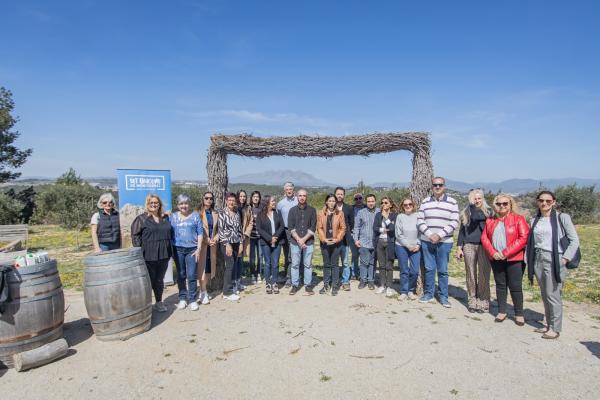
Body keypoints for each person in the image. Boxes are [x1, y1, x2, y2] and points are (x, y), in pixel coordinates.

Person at [525, 191, 580, 339]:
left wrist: (565, 259)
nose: (544, 203)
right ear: (537, 202)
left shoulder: (562, 218)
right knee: (545, 293)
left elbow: (574, 240)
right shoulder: (534, 220)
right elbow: (532, 241)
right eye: (541, 200)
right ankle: (548, 324)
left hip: (555, 258)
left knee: (553, 294)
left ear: (554, 202)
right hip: (538, 258)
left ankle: (555, 328)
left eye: (548, 201)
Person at [481, 194, 529, 325]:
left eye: (505, 203)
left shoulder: (519, 219)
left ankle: (519, 313)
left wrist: (506, 253)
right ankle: (502, 311)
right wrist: (493, 252)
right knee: (500, 285)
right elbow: (484, 238)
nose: (502, 206)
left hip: (514, 259)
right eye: (499, 204)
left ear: (510, 205)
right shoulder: (490, 220)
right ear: (495, 205)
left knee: (515, 286)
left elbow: (524, 238)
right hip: (496, 258)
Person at [417, 177, 459, 307]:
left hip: (445, 242)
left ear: (444, 186)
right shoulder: (425, 202)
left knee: (443, 270)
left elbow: (454, 221)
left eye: (440, 185)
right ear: (432, 186)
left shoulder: (452, 202)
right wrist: (430, 234)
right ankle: (429, 294)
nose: (437, 187)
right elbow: (420, 220)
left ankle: (443, 296)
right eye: (435, 185)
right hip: (427, 240)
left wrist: (439, 235)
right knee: (429, 269)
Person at [131, 194, 173, 313]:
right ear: (147, 205)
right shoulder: (141, 219)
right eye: (151, 203)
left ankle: (159, 302)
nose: (154, 205)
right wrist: (140, 249)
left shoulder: (165, 218)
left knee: (159, 280)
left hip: (164, 254)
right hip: (148, 255)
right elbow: (135, 236)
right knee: (148, 280)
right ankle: (146, 305)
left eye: (156, 203)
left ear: (160, 205)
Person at [456, 189, 493, 313]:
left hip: (484, 245)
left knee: (484, 274)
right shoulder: (466, 211)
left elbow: (478, 218)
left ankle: (483, 300)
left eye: (479, 198)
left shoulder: (488, 212)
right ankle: (472, 299)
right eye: (474, 198)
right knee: (470, 273)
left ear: (483, 198)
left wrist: (472, 206)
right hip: (469, 245)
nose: (477, 201)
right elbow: (462, 230)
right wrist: (459, 247)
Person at [170, 194, 203, 311]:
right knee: (181, 274)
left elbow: (200, 233)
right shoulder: (172, 217)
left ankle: (192, 299)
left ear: (189, 204)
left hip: (192, 250)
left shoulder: (195, 216)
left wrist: (198, 248)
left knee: (191, 275)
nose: (184, 206)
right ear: (178, 205)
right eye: (181, 203)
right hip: (178, 249)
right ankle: (183, 298)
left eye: (186, 203)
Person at [287, 189, 317, 295]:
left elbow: (313, 227)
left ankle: (308, 285)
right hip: (295, 242)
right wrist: (299, 240)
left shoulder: (312, 210)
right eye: (300, 195)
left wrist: (303, 240)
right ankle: (295, 285)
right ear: (297, 196)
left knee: (308, 265)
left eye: (304, 195)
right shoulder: (292, 210)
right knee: (295, 264)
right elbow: (291, 228)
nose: (302, 197)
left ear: (306, 197)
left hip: (308, 242)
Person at [317, 194, 346, 296]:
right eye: (329, 201)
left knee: (335, 265)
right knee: (326, 265)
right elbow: (319, 227)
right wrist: (323, 239)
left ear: (336, 202)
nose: (332, 203)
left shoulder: (340, 213)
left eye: (333, 201)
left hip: (336, 243)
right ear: (326, 202)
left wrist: (337, 239)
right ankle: (326, 285)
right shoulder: (321, 213)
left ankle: (334, 286)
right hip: (325, 242)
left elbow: (343, 228)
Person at [256, 195, 285, 294]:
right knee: (267, 263)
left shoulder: (278, 212)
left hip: (277, 242)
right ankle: (268, 283)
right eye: (273, 201)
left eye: (274, 201)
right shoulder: (260, 214)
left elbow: (282, 226)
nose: (274, 202)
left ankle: (274, 282)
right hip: (265, 242)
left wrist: (275, 237)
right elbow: (259, 229)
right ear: (267, 202)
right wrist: (269, 238)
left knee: (275, 263)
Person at [219, 192, 244, 301]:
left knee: (233, 265)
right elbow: (221, 230)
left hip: (236, 243)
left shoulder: (237, 212)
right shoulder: (222, 213)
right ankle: (227, 292)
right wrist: (227, 244)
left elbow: (239, 230)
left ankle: (231, 286)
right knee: (230, 265)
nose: (231, 202)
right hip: (226, 243)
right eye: (229, 200)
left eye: (233, 200)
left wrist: (241, 243)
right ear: (226, 201)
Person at [395, 197, 420, 301]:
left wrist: (418, 244)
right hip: (402, 246)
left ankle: (411, 290)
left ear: (413, 205)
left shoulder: (418, 216)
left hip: (416, 247)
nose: (408, 206)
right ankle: (404, 291)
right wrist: (408, 245)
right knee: (404, 270)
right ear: (402, 207)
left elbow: (422, 232)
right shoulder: (400, 217)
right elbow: (398, 234)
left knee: (414, 271)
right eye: (405, 205)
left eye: (410, 204)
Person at [353, 194, 379, 290]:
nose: (371, 203)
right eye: (369, 201)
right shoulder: (361, 212)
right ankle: (363, 280)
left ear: (375, 201)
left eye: (372, 201)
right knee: (364, 262)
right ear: (366, 202)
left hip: (375, 242)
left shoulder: (379, 212)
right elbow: (356, 227)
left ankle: (371, 280)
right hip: (363, 242)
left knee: (372, 262)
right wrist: (356, 239)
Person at [373, 196, 397, 296]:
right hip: (379, 242)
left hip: (390, 242)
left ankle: (389, 287)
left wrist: (386, 218)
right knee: (381, 265)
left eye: (386, 203)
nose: (383, 204)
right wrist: (383, 230)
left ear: (390, 204)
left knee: (389, 266)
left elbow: (392, 228)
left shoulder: (394, 215)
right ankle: (382, 285)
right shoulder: (378, 215)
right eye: (382, 202)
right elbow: (375, 227)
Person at [276, 182, 298, 287]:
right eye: (287, 189)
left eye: (290, 189)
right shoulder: (280, 203)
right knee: (287, 255)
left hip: (297, 231)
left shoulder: (299, 201)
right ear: (284, 190)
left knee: (297, 254)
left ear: (293, 190)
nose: (289, 191)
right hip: (285, 231)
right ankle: (288, 278)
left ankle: (298, 276)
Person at [198, 191, 218, 305]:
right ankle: (203, 291)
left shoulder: (215, 213)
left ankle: (203, 290)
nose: (209, 200)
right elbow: (196, 230)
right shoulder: (198, 213)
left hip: (213, 245)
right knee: (202, 269)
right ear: (203, 199)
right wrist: (206, 240)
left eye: (211, 198)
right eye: (206, 198)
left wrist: (215, 238)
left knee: (209, 269)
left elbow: (219, 230)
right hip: (203, 245)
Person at [335, 187, 355, 291]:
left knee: (345, 262)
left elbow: (352, 223)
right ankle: (334, 279)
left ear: (344, 195)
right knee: (334, 261)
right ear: (335, 195)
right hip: (333, 239)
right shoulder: (331, 206)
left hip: (345, 240)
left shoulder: (349, 208)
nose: (339, 196)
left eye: (341, 194)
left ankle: (345, 281)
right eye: (338, 194)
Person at [234, 190, 252, 293]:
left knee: (240, 260)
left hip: (244, 237)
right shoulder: (234, 207)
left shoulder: (248, 208)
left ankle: (239, 281)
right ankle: (234, 282)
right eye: (240, 196)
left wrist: (246, 233)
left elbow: (251, 222)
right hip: (234, 238)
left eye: (244, 196)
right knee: (235, 260)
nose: (242, 198)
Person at [248, 191, 263, 284]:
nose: (256, 198)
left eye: (257, 197)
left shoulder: (262, 209)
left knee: (260, 256)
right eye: (254, 196)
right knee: (252, 257)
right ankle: (253, 274)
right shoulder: (248, 209)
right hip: (251, 237)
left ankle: (259, 273)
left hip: (260, 237)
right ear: (252, 198)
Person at [350, 193, 364, 279]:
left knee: (364, 256)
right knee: (355, 255)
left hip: (364, 236)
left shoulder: (367, 208)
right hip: (353, 235)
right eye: (356, 199)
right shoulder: (351, 209)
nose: (358, 200)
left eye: (360, 198)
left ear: (362, 199)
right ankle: (354, 273)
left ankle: (362, 274)